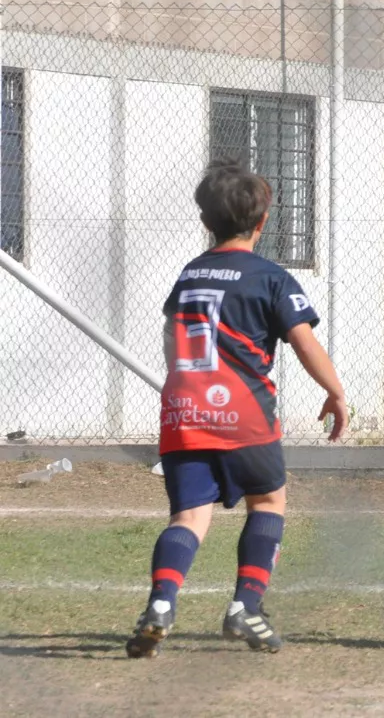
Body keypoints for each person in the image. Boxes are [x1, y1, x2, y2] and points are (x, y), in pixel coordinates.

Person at [126, 161, 348, 659]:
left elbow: (171, 336)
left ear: (206, 222)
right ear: (263, 221)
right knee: (268, 503)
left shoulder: (190, 274)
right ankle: (246, 605)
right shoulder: (269, 276)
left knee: (187, 515)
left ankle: (161, 603)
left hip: (183, 411)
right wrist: (334, 391)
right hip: (244, 414)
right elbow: (303, 341)